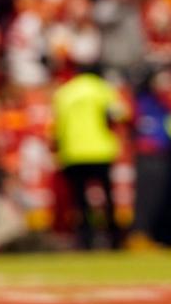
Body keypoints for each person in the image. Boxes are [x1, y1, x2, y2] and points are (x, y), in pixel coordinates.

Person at [52, 68, 128, 249]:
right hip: (101, 151)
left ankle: (85, 239)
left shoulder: (65, 92)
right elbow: (118, 115)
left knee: (80, 200)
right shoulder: (103, 89)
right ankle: (114, 238)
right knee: (107, 197)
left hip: (73, 153)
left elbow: (58, 126)